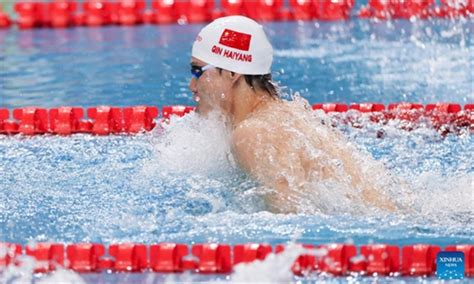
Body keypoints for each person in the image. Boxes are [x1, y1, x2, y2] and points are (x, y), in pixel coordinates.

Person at [189, 16, 396, 214]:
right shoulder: (288, 114)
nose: (192, 86)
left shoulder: (251, 133)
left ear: (232, 73)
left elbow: (293, 217)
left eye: (198, 72)